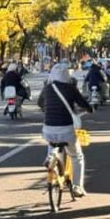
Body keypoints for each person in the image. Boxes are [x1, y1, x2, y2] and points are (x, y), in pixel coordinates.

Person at [38, 63, 92, 197]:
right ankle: (77, 187)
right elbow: (82, 103)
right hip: (66, 130)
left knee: (52, 143)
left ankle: (51, 158)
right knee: (76, 156)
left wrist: (48, 109)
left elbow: (40, 103)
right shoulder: (70, 88)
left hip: (48, 130)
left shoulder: (48, 88)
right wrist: (89, 109)